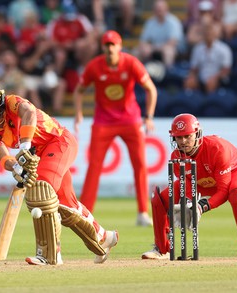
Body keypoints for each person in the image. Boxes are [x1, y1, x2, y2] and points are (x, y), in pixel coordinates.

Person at [0, 78, 118, 265]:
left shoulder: (13, 102)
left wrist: (24, 147)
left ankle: (50, 253)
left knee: (40, 191)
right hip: (41, 154)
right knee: (66, 205)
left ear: (0, 98)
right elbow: (4, 157)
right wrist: (16, 167)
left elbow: (29, 113)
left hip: (59, 141)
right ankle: (105, 237)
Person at [142, 113, 237, 260]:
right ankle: (161, 249)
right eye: (179, 137)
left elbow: (223, 191)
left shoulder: (217, 149)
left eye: (187, 136)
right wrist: (185, 204)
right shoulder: (176, 157)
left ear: (197, 134)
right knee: (159, 200)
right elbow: (186, 187)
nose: (183, 142)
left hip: (235, 171)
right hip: (202, 180)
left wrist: (201, 207)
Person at [73, 30, 158, 226]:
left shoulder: (131, 63)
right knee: (94, 166)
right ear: (103, 48)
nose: (110, 48)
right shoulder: (94, 67)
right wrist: (78, 113)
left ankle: (143, 212)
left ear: (119, 47)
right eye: (107, 45)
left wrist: (149, 116)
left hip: (130, 120)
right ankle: (85, 214)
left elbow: (151, 89)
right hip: (104, 121)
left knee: (140, 165)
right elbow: (79, 91)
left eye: (113, 45)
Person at [183, 22, 232, 94]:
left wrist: (215, 77)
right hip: (201, 78)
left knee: (210, 83)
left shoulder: (224, 49)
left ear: (215, 34)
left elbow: (226, 69)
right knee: (189, 82)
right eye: (206, 33)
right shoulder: (198, 48)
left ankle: (210, 102)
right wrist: (192, 77)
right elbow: (194, 68)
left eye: (210, 32)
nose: (208, 35)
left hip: (217, 78)